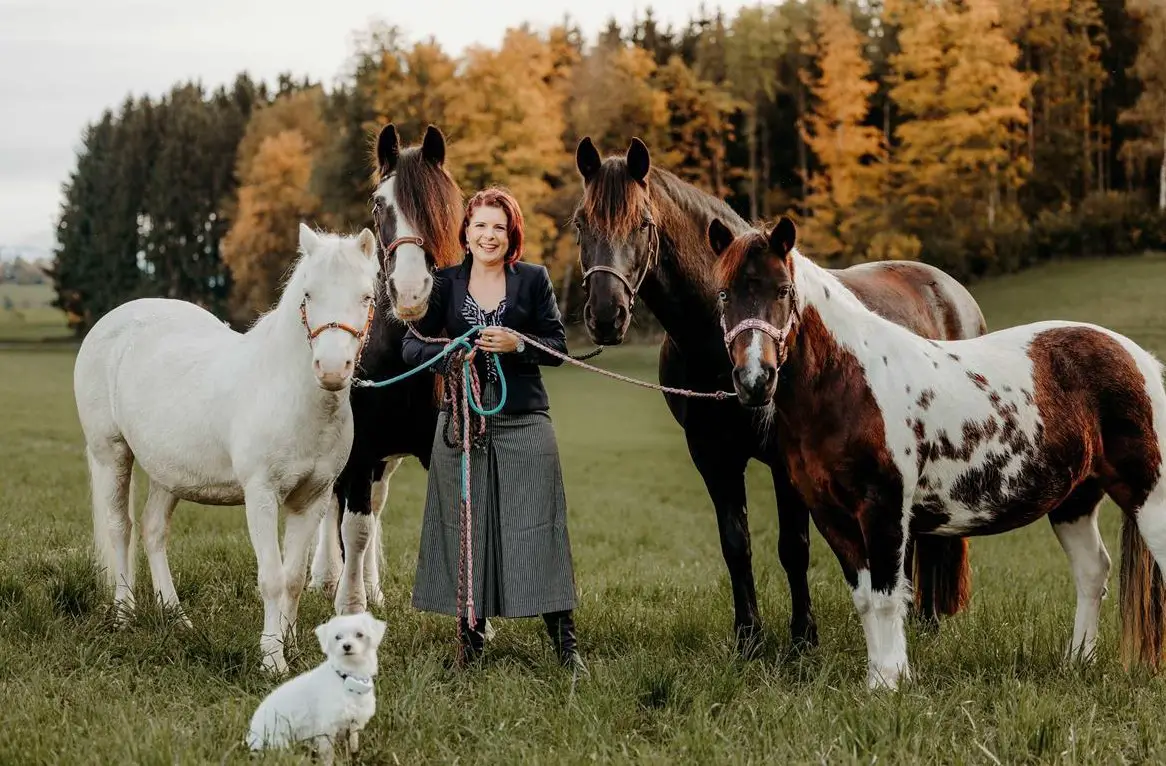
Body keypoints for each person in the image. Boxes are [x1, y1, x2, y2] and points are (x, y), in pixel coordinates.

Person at [402, 186, 582, 671]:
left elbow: (559, 346)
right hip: (461, 424)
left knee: (538, 526)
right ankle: (470, 643)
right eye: (480, 225)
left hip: (524, 418)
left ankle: (565, 645)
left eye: (498, 227)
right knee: (466, 528)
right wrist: (448, 350)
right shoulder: (443, 284)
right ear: (465, 233)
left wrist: (517, 343)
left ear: (511, 234)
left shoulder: (534, 280)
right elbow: (410, 347)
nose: (488, 235)